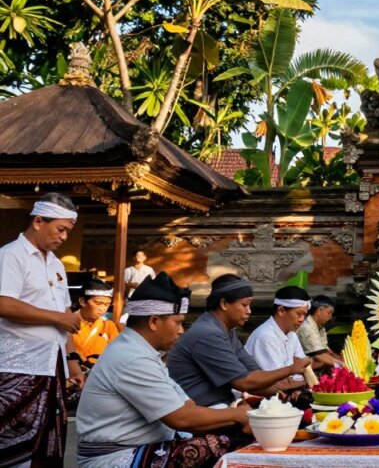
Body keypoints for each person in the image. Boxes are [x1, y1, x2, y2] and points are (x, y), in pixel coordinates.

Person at [77, 272, 250, 468]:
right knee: (218, 445)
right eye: (177, 322)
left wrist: (237, 416)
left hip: (143, 446)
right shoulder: (132, 357)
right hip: (114, 457)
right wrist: (238, 415)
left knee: (229, 436)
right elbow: (181, 418)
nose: (181, 330)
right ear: (153, 321)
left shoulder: (142, 351)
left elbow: (188, 406)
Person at [0, 193, 85, 468]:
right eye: (60, 229)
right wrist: (57, 319)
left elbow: (65, 316)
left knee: (48, 448)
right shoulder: (10, 256)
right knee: (11, 448)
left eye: (68, 231)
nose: (63, 237)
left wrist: (72, 361)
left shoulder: (57, 265)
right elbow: (4, 303)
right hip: (16, 368)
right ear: (38, 221)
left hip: (51, 367)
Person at [167, 274, 311, 408]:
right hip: (200, 409)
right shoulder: (208, 333)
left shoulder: (228, 331)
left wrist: (282, 388)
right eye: (244, 305)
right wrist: (290, 370)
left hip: (223, 404)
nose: (249, 311)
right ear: (224, 304)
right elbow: (245, 382)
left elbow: (253, 370)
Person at [244, 286, 314, 406]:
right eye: (299, 314)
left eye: (304, 315)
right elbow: (280, 383)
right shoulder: (266, 336)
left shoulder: (292, 334)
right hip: (256, 401)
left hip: (281, 398)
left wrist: (303, 378)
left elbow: (304, 367)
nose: (302, 319)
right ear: (281, 310)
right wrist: (307, 381)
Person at [71, 277, 120, 367]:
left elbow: (117, 355)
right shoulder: (67, 324)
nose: (103, 309)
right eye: (98, 303)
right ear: (82, 301)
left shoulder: (109, 326)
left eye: (107, 304)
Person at [297, 295, 343, 370]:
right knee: (321, 362)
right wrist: (344, 366)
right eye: (329, 313)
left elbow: (327, 350)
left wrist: (340, 359)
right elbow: (320, 355)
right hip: (304, 369)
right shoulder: (307, 327)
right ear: (319, 310)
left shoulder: (321, 328)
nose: (330, 317)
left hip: (317, 362)